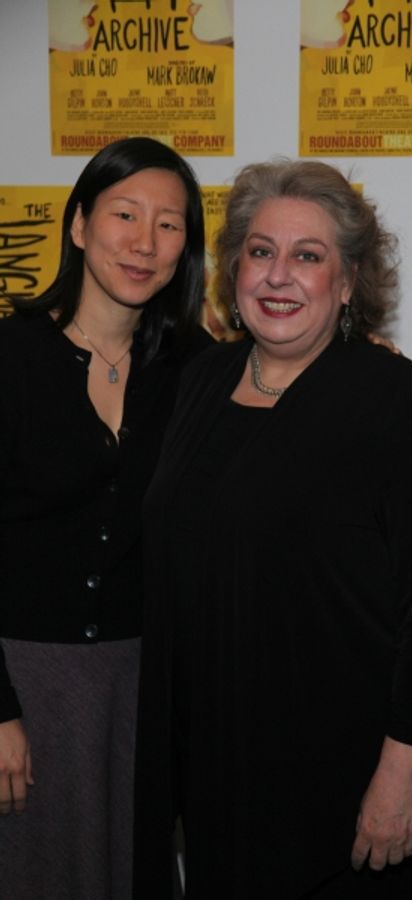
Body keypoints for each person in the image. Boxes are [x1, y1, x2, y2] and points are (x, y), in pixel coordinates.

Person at [134, 159, 412, 899]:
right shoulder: (201, 382)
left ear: (348, 282)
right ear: (234, 268)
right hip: (218, 778)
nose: (278, 275)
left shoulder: (396, 400)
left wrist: (399, 780)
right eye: (261, 251)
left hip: (349, 791)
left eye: (309, 256)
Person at [0, 136, 212, 900]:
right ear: (80, 224)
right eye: (126, 214)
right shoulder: (11, 355)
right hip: (21, 682)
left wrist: (360, 355)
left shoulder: (197, 371)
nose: (145, 242)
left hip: (141, 688)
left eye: (169, 224)